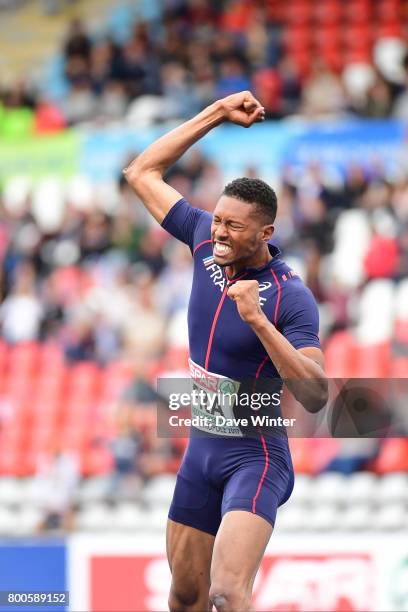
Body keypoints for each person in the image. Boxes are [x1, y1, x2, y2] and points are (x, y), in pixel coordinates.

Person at [124, 90, 328, 612]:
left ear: (266, 233)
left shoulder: (289, 296)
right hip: (201, 448)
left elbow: (316, 394)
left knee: (226, 592)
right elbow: (142, 173)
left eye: (233, 227)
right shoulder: (200, 238)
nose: (219, 232)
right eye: (217, 219)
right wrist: (216, 113)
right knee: (185, 597)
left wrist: (257, 320)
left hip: (255, 457)